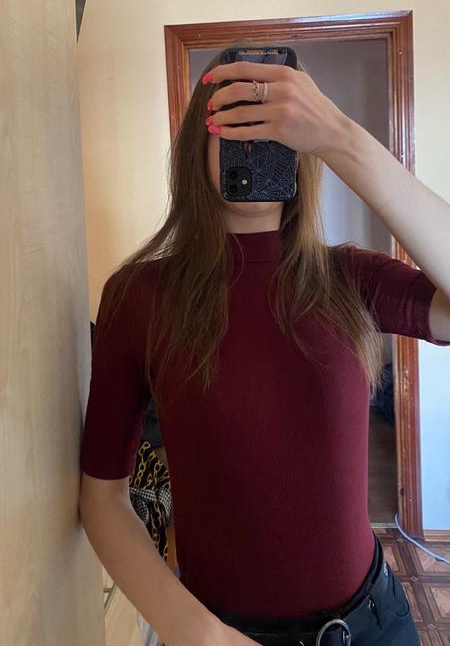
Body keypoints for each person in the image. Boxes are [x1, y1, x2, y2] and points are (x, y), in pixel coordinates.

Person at [78, 43, 450, 646]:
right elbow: (102, 497)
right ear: (198, 143)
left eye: (276, 124)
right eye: (236, 119)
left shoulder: (350, 278)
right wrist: (195, 632)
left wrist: (340, 139)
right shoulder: (139, 297)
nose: (254, 139)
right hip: (219, 634)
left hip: (373, 627)